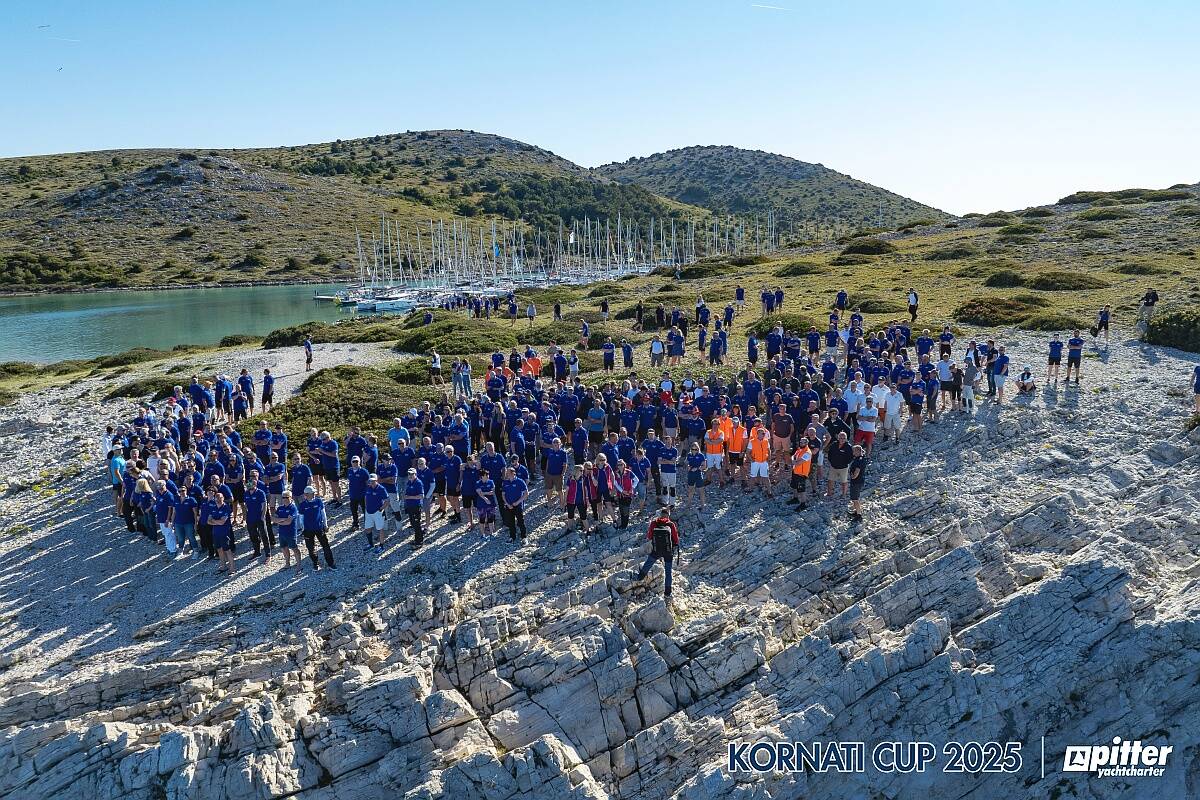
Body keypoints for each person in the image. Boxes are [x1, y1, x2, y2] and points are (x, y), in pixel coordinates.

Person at [635, 508, 679, 600]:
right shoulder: (670, 524)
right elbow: (676, 539)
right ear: (668, 515)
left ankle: (640, 577)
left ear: (660, 514)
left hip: (657, 550)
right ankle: (667, 593)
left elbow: (649, 536)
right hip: (668, 551)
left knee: (649, 562)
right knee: (668, 571)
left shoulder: (654, 523)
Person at [299, 485, 336, 571]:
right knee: (311, 548)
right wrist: (303, 529)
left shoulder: (319, 501)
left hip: (319, 528)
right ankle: (315, 564)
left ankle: (331, 563)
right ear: (306, 494)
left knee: (325, 546)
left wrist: (325, 525)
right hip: (308, 530)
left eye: (314, 493)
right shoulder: (303, 505)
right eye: (312, 493)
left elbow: (323, 514)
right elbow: (301, 518)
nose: (314, 494)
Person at [274, 490, 303, 575]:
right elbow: (274, 519)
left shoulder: (293, 508)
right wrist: (283, 520)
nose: (285, 499)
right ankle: (287, 564)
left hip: (290, 532)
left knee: (294, 548)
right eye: (283, 497)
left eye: (287, 497)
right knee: (284, 548)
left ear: (291, 498)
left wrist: (279, 521)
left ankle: (299, 565)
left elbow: (289, 522)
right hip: (282, 532)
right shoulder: (280, 508)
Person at [500, 466, 529, 544]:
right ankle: (512, 537)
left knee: (520, 521)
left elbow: (526, 494)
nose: (507, 474)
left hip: (518, 505)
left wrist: (518, 502)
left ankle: (524, 537)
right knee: (510, 522)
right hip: (508, 505)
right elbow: (503, 494)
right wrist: (507, 503)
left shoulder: (520, 481)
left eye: (508, 473)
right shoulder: (505, 482)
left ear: (513, 473)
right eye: (506, 473)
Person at [209, 492, 235, 576]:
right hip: (215, 533)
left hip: (224, 533)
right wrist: (217, 522)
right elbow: (208, 521)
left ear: (223, 498)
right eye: (216, 498)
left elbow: (222, 522)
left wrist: (214, 521)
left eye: (220, 497)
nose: (218, 499)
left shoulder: (226, 508)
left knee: (227, 550)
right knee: (219, 549)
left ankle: (232, 569)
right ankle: (223, 566)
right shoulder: (213, 508)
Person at [363, 473, 389, 553]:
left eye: (373, 481)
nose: (371, 482)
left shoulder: (381, 489)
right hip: (368, 512)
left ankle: (381, 546)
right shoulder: (367, 487)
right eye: (370, 481)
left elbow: (387, 501)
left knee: (380, 529)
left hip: (377, 512)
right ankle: (371, 544)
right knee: (368, 528)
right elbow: (365, 497)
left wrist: (381, 509)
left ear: (376, 480)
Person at [825, 431, 853, 500]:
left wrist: (845, 463)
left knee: (844, 481)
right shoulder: (834, 444)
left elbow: (850, 458)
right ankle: (829, 493)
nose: (842, 439)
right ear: (838, 438)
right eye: (841, 438)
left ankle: (844, 494)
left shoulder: (848, 447)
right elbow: (830, 453)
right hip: (833, 466)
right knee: (830, 480)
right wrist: (831, 461)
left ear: (846, 439)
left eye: (844, 438)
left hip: (843, 468)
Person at [403, 467, 426, 547]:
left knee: (417, 524)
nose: (410, 475)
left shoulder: (418, 483)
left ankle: (419, 542)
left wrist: (409, 497)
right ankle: (417, 539)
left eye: (412, 474)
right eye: (409, 474)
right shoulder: (409, 482)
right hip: (410, 506)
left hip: (416, 506)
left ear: (415, 474)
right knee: (413, 523)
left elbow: (421, 496)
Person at [847, 445, 868, 519]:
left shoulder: (859, 460)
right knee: (856, 498)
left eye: (854, 451)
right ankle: (857, 511)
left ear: (858, 451)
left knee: (855, 499)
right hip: (859, 481)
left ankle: (858, 515)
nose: (853, 452)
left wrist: (853, 476)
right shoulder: (862, 458)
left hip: (856, 481)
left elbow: (857, 470)